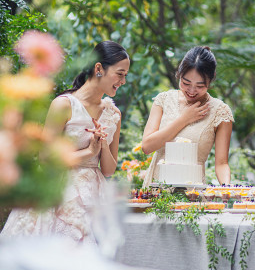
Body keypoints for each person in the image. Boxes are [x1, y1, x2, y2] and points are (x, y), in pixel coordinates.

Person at [1, 41, 130, 243]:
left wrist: (102, 144)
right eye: (120, 74)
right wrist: (89, 152)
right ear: (99, 69)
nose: (123, 81)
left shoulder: (114, 114)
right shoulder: (63, 105)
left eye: (125, 76)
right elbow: (45, 158)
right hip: (60, 191)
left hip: (95, 194)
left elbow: (108, 171)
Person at [142, 46, 234, 188]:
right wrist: (184, 119)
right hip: (156, 191)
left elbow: (221, 164)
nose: (191, 91)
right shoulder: (164, 100)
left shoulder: (220, 111)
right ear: (179, 73)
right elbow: (147, 146)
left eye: (200, 86)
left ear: (211, 80)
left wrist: (226, 188)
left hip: (193, 194)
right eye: (186, 83)